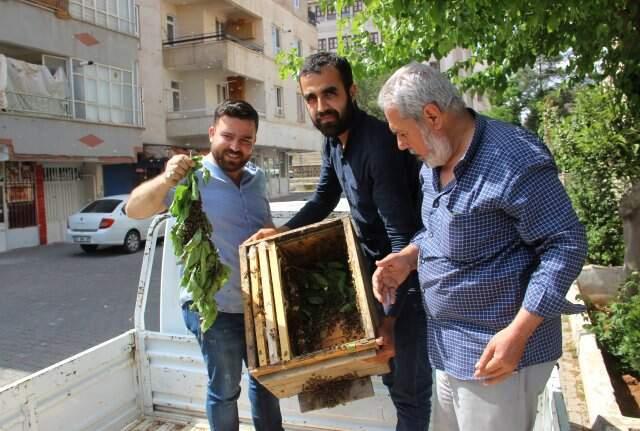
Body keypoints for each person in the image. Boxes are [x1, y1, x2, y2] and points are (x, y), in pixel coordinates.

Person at [373, 62, 588, 431]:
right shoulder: (433, 160)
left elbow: (565, 244)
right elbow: (438, 231)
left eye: (402, 133)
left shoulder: (515, 159)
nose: (400, 144)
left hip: (497, 357)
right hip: (446, 348)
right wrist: (409, 257)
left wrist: (518, 333)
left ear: (432, 116)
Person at [248, 52, 432, 431]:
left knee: (410, 393)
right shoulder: (334, 142)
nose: (321, 107)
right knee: (392, 378)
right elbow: (323, 197)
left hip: (408, 281)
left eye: (330, 94)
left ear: (351, 91)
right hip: (377, 278)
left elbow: (401, 237)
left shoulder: (379, 144)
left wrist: (391, 322)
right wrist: (282, 233)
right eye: (311, 99)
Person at [125, 100, 283, 431]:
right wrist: (166, 180)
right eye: (228, 136)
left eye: (246, 140)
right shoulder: (190, 178)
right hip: (214, 308)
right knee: (225, 390)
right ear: (212, 133)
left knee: (269, 384)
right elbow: (134, 210)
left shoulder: (257, 179)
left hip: (260, 305)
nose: (236, 147)